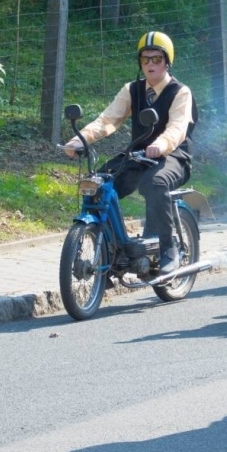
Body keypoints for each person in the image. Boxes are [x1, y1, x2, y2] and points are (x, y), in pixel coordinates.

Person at [63, 32, 195, 276]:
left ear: (167, 62)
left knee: (154, 183)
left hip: (173, 156)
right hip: (139, 155)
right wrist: (79, 140)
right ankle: (111, 251)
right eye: (145, 59)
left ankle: (168, 249)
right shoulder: (132, 90)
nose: (151, 65)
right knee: (99, 184)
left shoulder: (180, 92)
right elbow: (107, 120)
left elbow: (177, 128)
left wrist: (162, 144)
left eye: (157, 59)